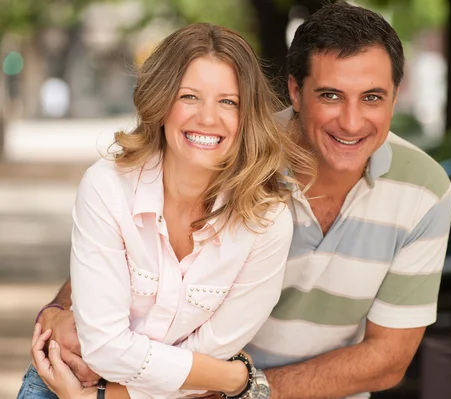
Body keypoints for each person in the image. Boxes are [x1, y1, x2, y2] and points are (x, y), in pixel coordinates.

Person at [26, 2, 451, 399]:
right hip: (166, 377)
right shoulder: (232, 154)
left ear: (396, 96)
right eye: (330, 95)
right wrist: (61, 309)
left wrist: (246, 388)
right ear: (295, 92)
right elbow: (131, 251)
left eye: (372, 97)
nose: (352, 121)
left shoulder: (424, 190)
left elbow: (386, 360)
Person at [19, 22, 315, 399]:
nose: (208, 118)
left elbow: (213, 352)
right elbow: (106, 347)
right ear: (161, 103)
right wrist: (231, 380)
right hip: (63, 384)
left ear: (247, 117)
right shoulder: (107, 187)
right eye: (189, 96)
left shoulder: (266, 222)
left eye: (228, 101)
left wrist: (110, 396)